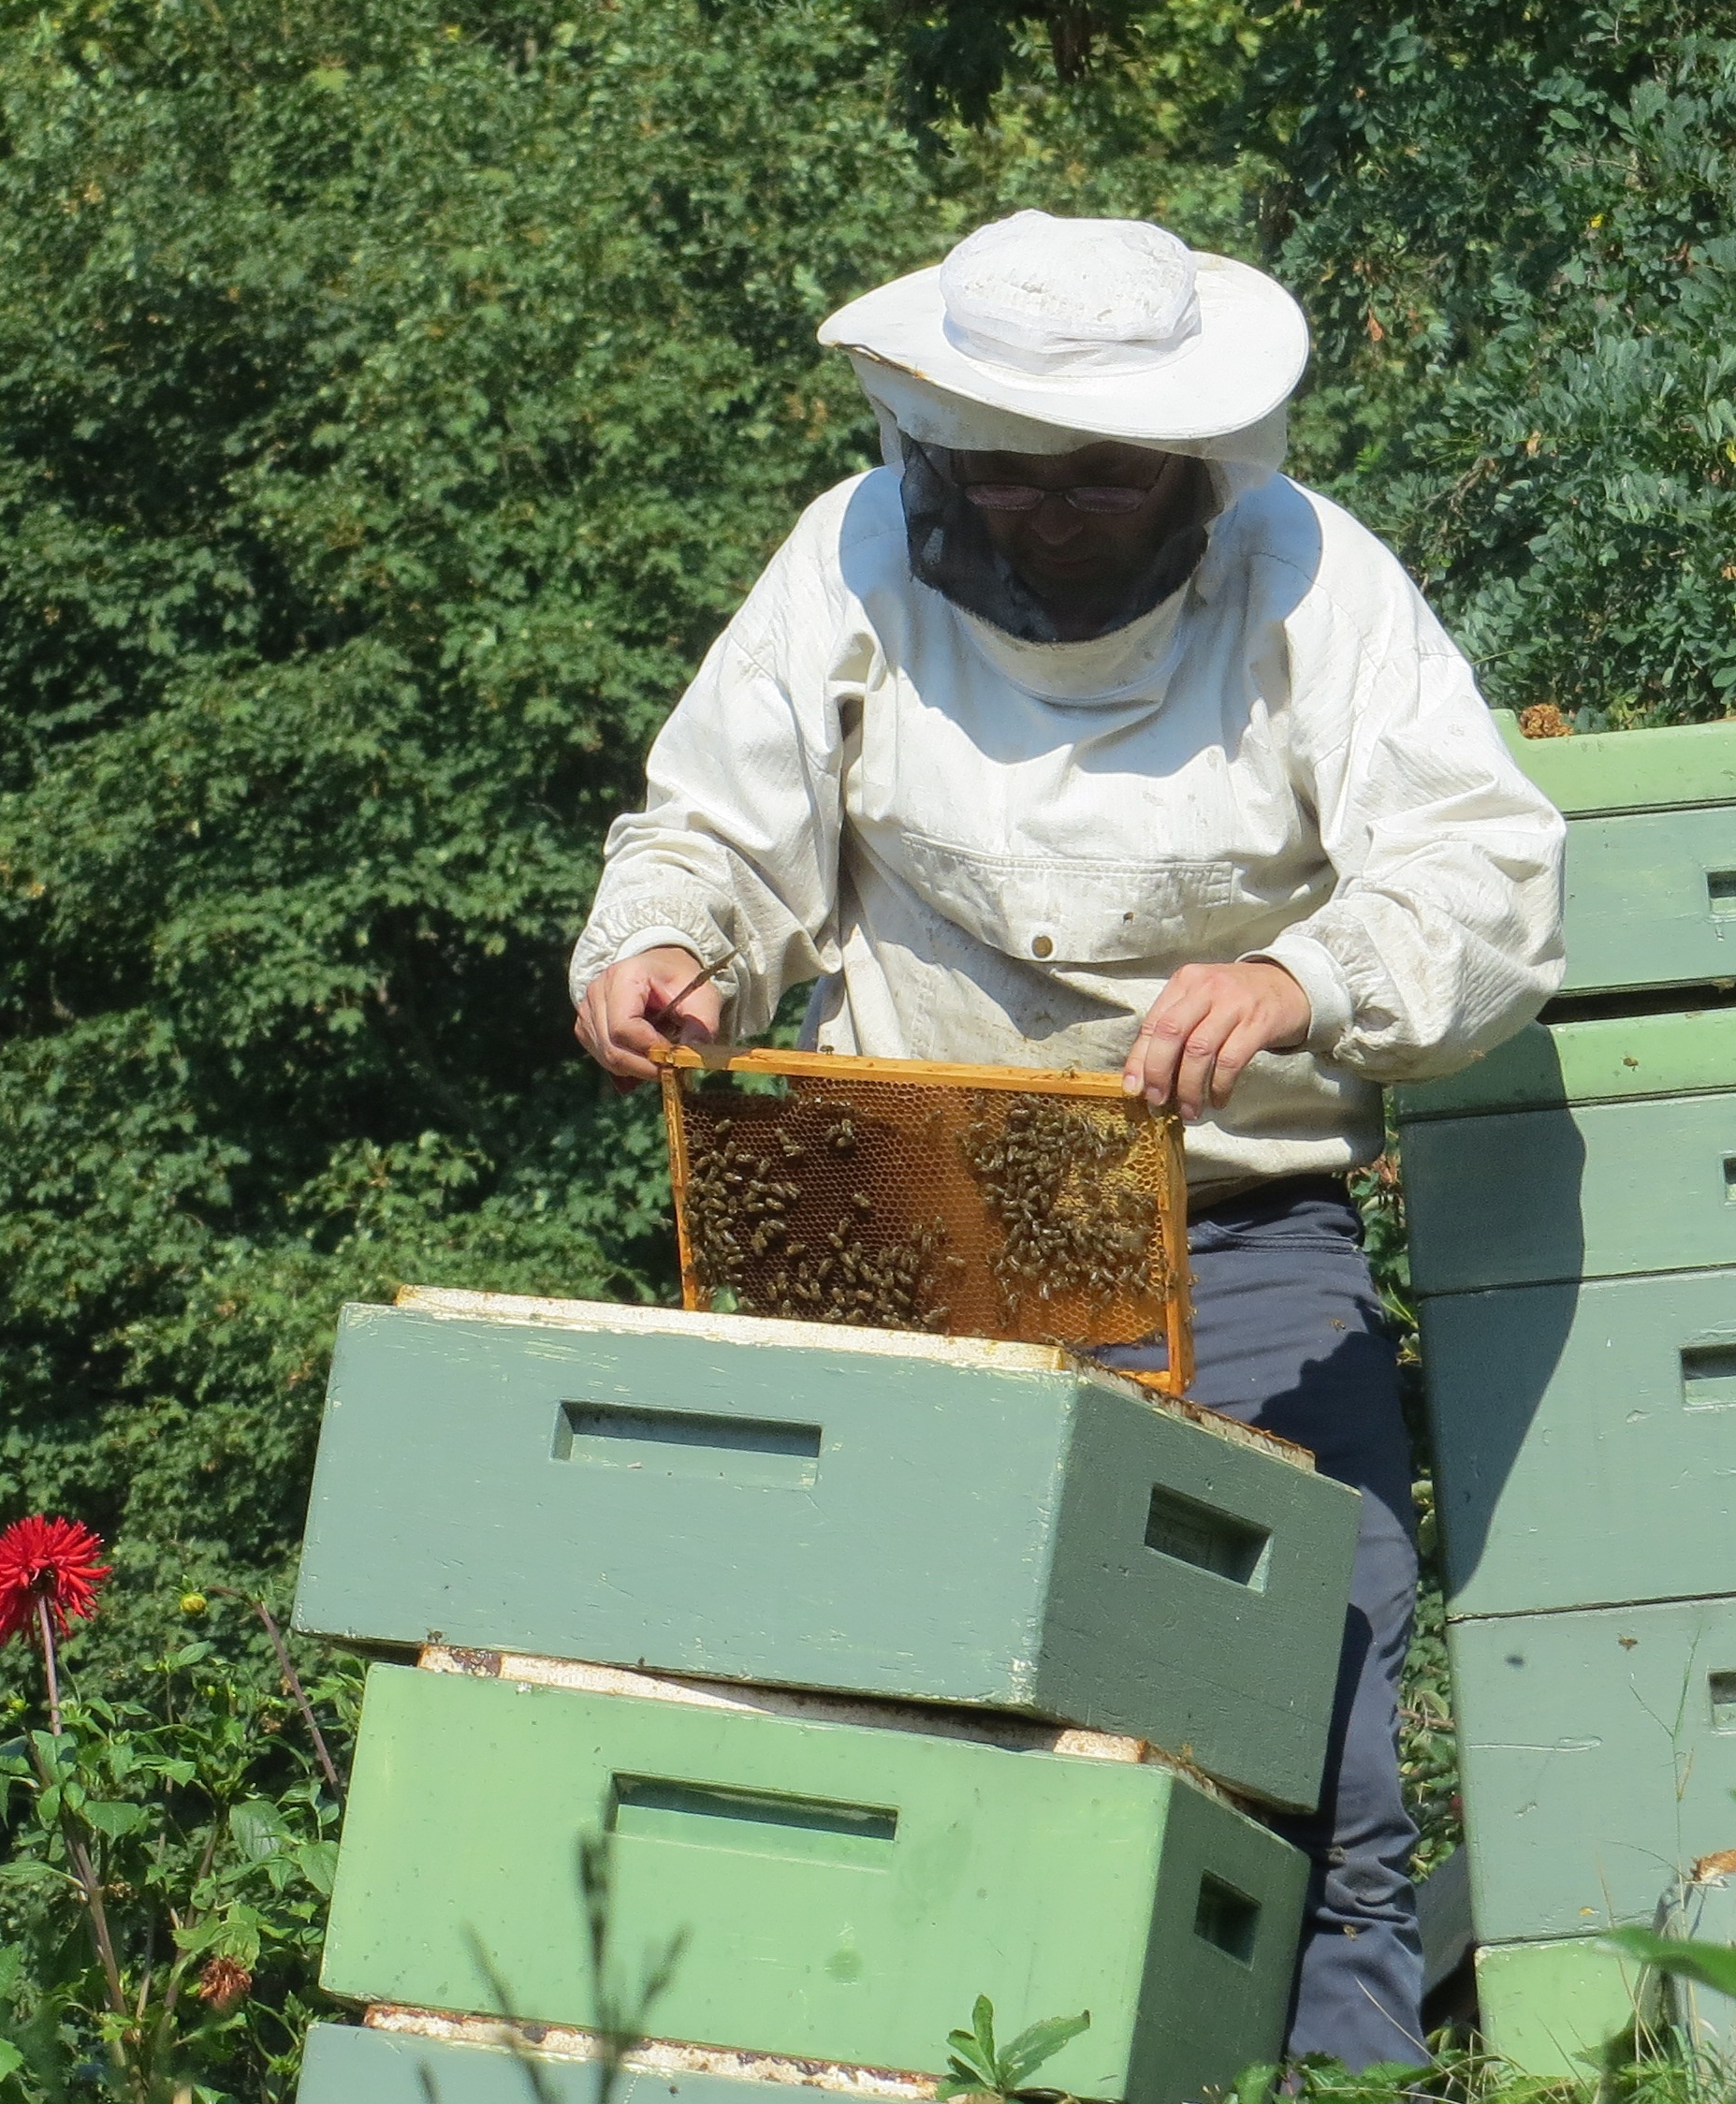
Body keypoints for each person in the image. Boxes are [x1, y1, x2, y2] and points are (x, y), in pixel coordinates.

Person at [567, 210, 1566, 2071]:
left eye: (1091, 486)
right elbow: (713, 831)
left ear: (1191, 468)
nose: (1037, 519)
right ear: (931, 440)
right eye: (1001, 481)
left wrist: (1295, 975)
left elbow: (1488, 876)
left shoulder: (1311, 586)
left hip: (1235, 1241)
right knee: (889, 1738)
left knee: (1316, 1757)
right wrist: (662, 950)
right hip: (898, 1229)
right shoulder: (847, 560)